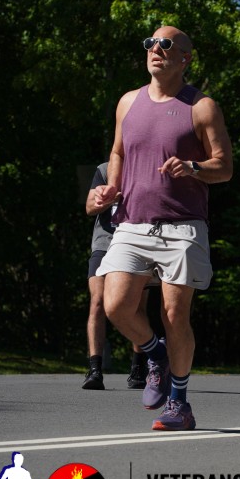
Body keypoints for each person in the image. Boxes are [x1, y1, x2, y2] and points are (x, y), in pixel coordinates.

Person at [93, 26, 233, 431]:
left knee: (174, 313)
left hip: (182, 226)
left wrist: (193, 167)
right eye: (150, 43)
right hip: (131, 222)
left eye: (166, 44)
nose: (155, 49)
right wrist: (111, 188)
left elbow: (224, 167)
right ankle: (156, 355)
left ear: (185, 57)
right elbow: (118, 151)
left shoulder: (201, 107)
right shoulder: (128, 102)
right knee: (115, 305)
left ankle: (179, 404)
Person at [83, 161, 149, 391]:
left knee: (136, 305)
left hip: (137, 242)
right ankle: (95, 369)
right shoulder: (104, 169)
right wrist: (107, 199)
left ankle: (138, 368)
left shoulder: (147, 165)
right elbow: (89, 207)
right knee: (97, 301)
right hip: (105, 243)